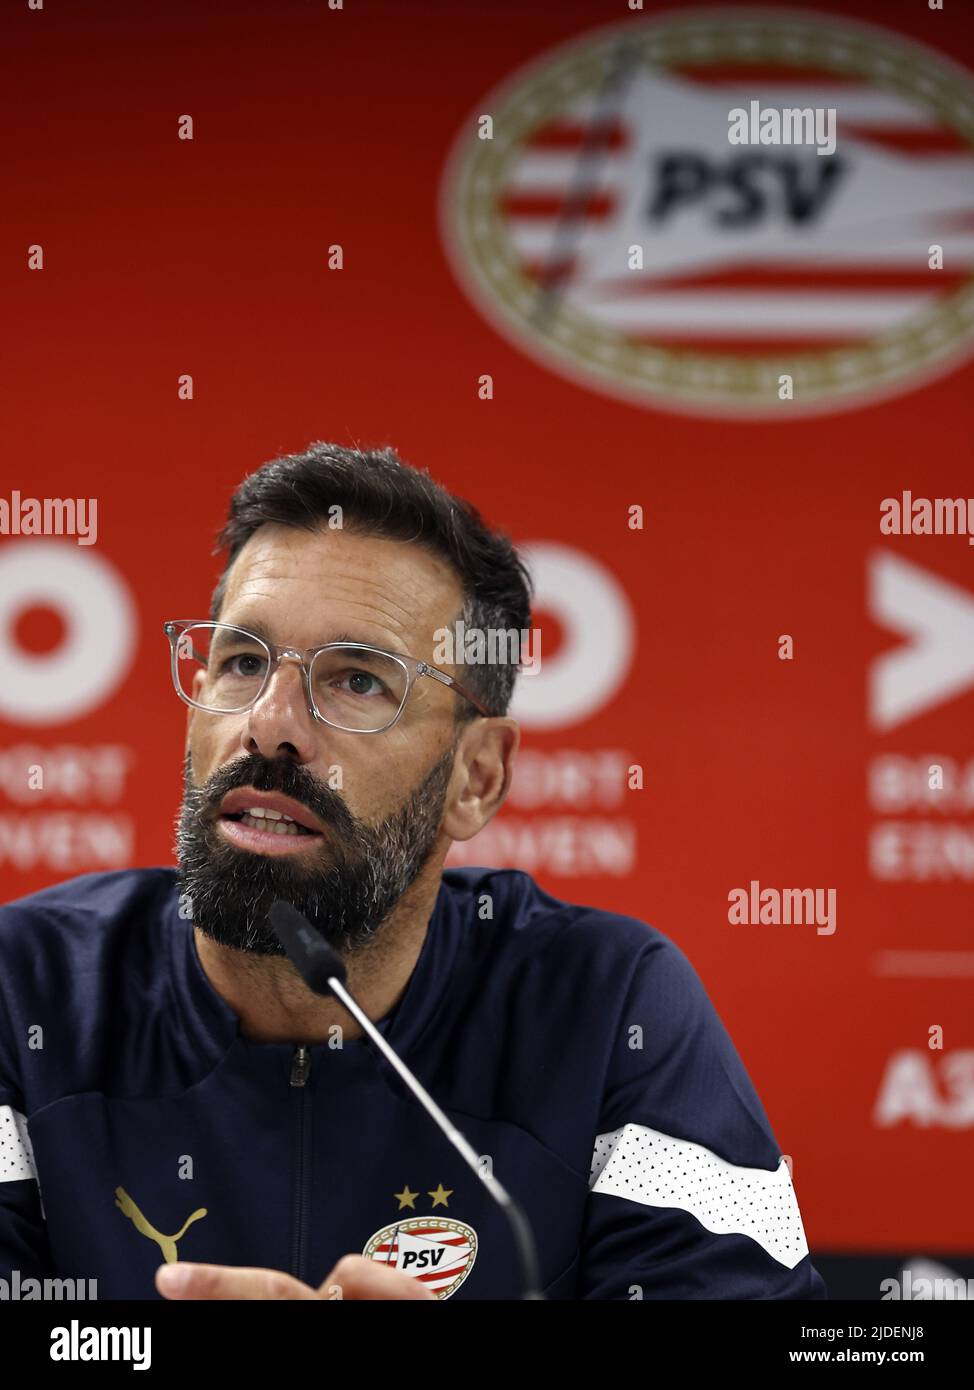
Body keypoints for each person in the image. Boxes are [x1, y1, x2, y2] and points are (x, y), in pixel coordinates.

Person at [0, 442, 826, 1301]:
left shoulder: (606, 1007)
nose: (270, 726)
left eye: (358, 680)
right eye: (243, 661)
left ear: (477, 778)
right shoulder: (27, 989)